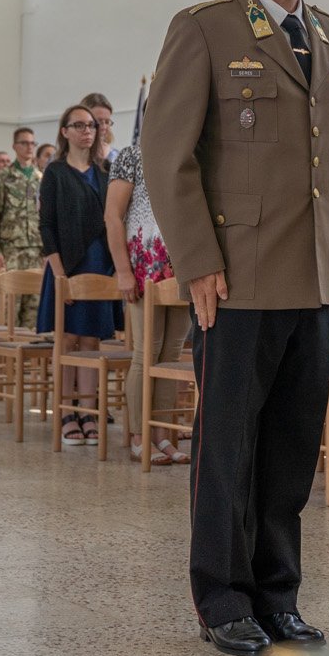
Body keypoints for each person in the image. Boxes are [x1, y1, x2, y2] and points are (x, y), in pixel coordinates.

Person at [146, 0, 329, 656]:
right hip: (235, 282)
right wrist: (198, 261)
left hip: (314, 280)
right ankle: (223, 597)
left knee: (292, 449)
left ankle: (278, 596)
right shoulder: (206, 27)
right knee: (228, 447)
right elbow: (167, 158)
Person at [106, 124, 189, 464]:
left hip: (182, 262)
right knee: (147, 352)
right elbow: (113, 216)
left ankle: (162, 434)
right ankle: (140, 435)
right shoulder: (132, 155)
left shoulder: (191, 151)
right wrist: (123, 270)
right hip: (145, 260)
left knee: (171, 354)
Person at [37, 107, 119, 444]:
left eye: (92, 125)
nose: (87, 130)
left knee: (90, 340)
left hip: (100, 264)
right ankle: (67, 412)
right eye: (79, 125)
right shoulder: (55, 172)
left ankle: (88, 412)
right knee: (68, 338)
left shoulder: (105, 172)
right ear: (65, 131)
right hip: (66, 267)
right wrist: (60, 276)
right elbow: (47, 227)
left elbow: (115, 220)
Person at [0, 126, 43, 321]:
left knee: (34, 308)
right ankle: (7, 343)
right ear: (14, 146)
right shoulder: (2, 178)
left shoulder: (41, 178)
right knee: (10, 307)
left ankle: (31, 341)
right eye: (24, 143)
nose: (29, 147)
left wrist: (49, 250)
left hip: (36, 250)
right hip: (10, 250)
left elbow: (47, 218)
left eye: (32, 143)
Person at [79, 93, 116, 164]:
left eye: (107, 122)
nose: (104, 127)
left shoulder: (117, 156)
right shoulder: (70, 158)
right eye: (98, 121)